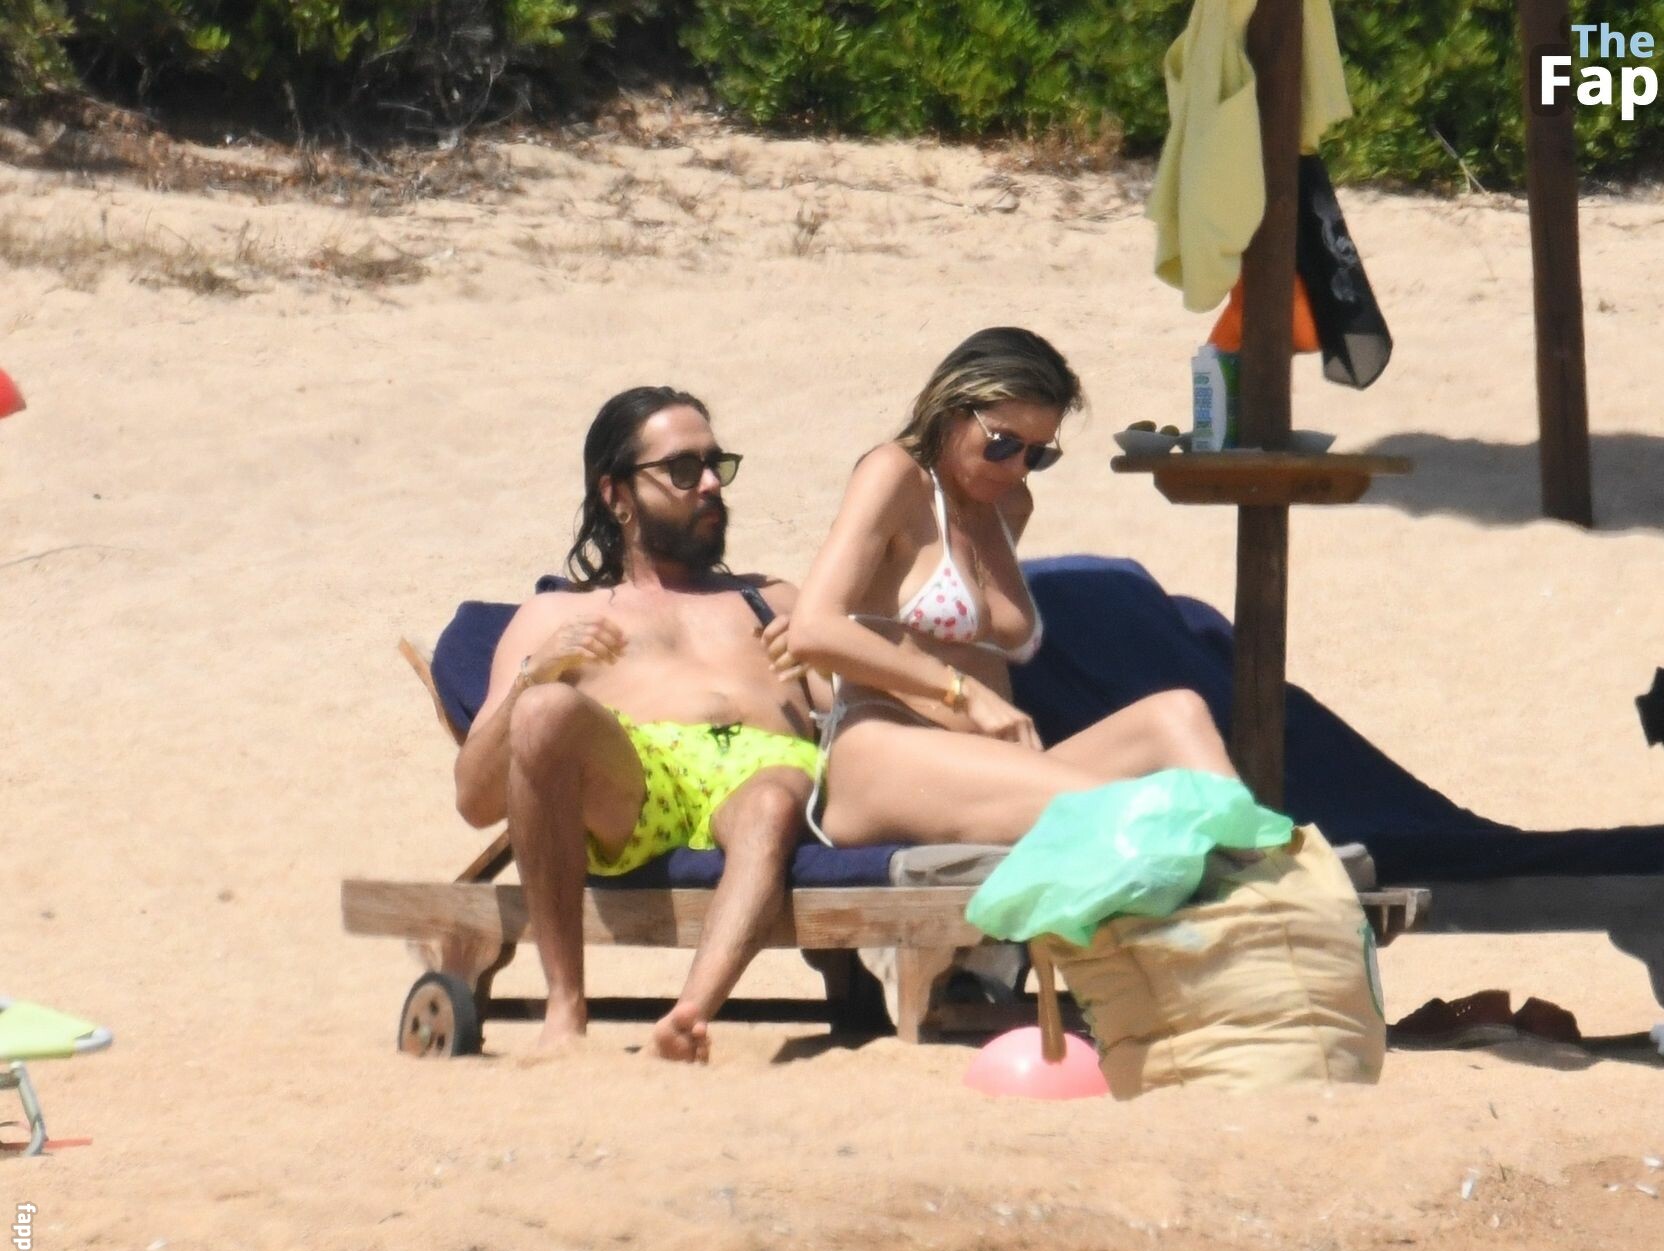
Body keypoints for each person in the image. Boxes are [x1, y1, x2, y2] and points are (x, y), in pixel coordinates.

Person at [454, 387, 825, 1062]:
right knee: (543, 711)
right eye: (683, 469)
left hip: (767, 772)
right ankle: (565, 1009)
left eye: (715, 464)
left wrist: (827, 663)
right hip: (640, 780)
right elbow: (476, 800)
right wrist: (539, 674)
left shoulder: (772, 599)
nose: (710, 484)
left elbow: (858, 721)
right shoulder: (556, 617)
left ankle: (687, 1019)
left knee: (771, 804)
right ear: (617, 495)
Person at [779, 327, 1241, 846]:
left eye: (1038, 455)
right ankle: (1260, 868)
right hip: (889, 755)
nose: (1018, 467)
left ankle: (1266, 870)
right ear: (952, 410)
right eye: (1002, 444)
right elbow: (814, 628)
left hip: (987, 766)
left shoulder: (1009, 505)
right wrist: (961, 691)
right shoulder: (896, 475)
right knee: (1147, 816)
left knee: (1179, 714)